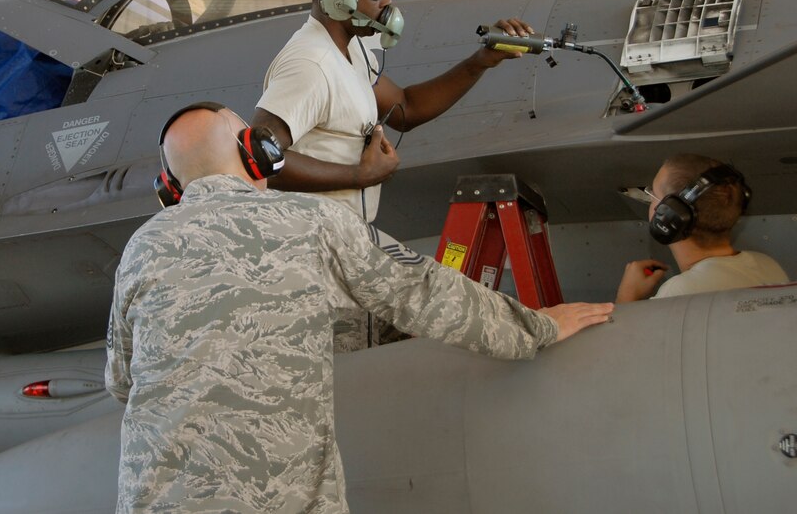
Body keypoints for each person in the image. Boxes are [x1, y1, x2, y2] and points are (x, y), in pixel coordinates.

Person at [105, 102, 613, 513]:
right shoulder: (314, 220)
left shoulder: (141, 248)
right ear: (256, 154)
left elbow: (124, 383)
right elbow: (424, 294)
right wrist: (538, 328)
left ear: (171, 189)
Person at [251, 0, 535, 349]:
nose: (387, 2)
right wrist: (357, 175)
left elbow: (405, 108)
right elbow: (258, 157)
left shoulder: (353, 48)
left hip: (347, 245)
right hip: (313, 262)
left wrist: (481, 62)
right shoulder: (309, 64)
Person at [616, 154, 790, 302]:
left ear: (669, 216)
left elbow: (628, 341)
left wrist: (627, 297)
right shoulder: (767, 265)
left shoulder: (680, 292)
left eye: (652, 194)